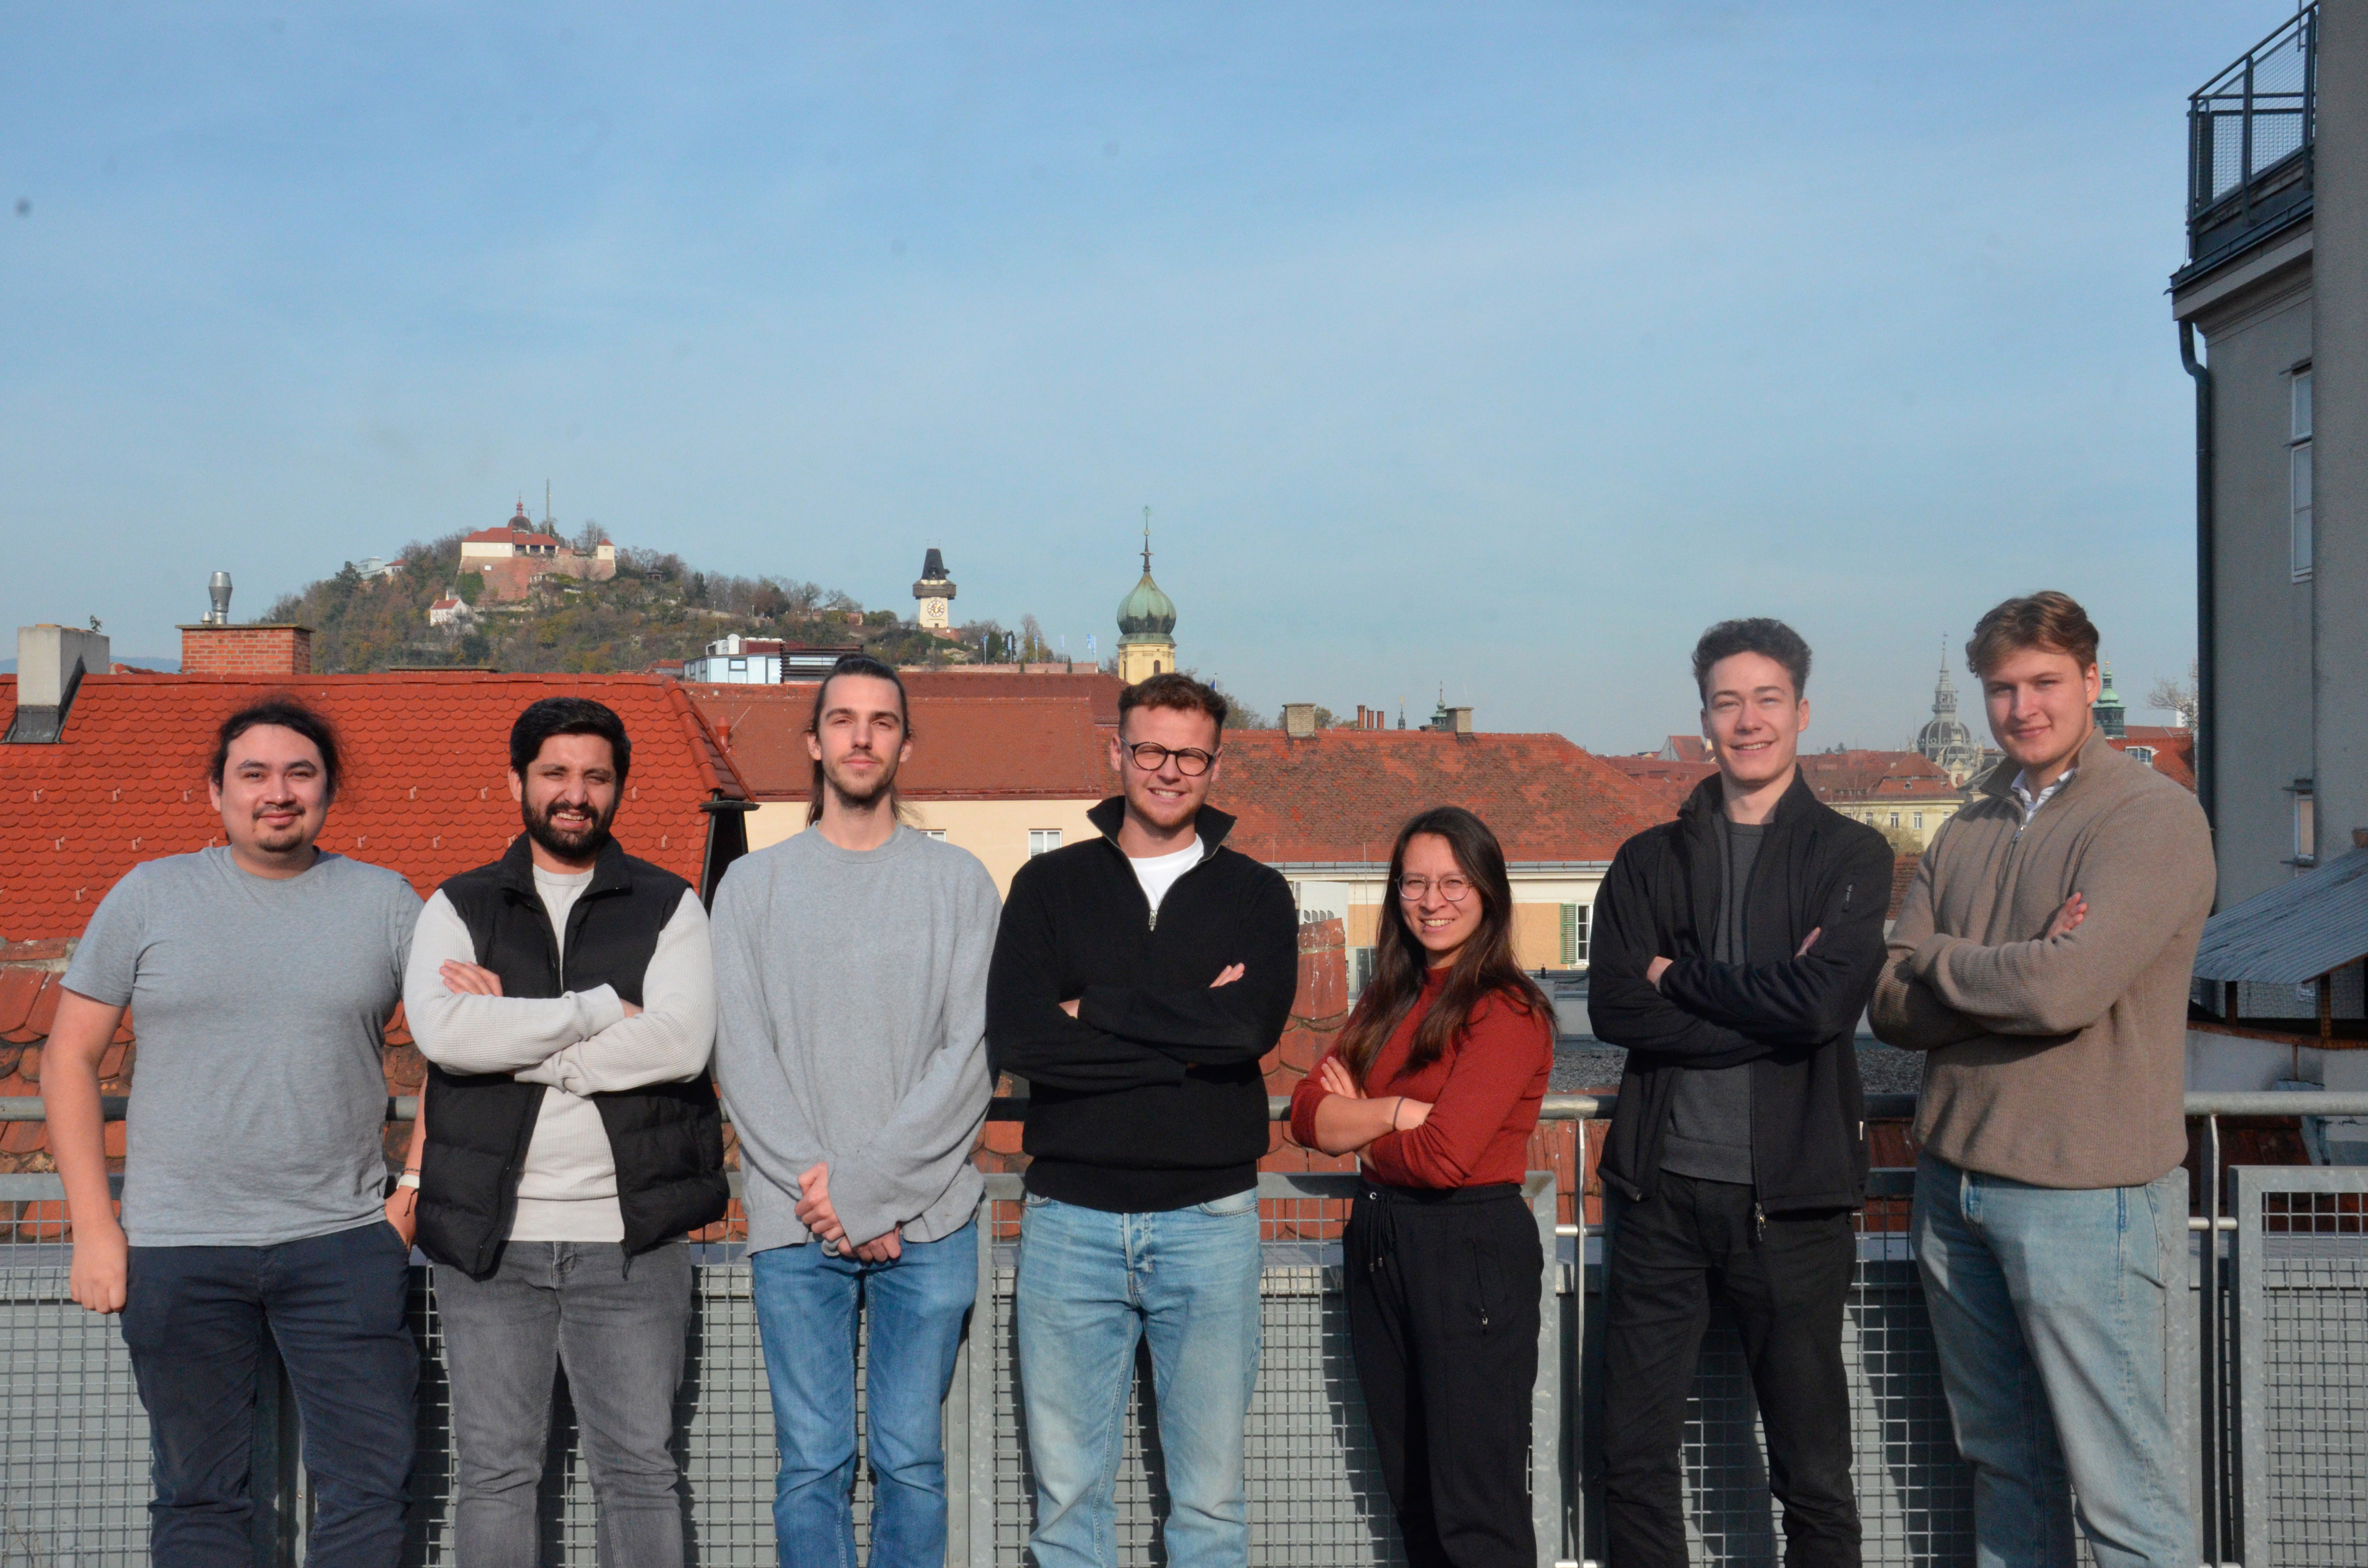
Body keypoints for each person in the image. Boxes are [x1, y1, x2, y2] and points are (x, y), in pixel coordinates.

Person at [1871, 592, 2213, 1568]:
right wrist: (2006, 961)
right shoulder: (1970, 820)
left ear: (2092, 683)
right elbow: (1891, 1005)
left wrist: (1940, 957)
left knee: (2125, 1498)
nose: (2022, 707)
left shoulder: (2151, 818)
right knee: (2004, 1470)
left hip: (2088, 1194)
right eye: (2003, 689)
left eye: (2044, 684)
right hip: (1954, 1185)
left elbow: (2064, 992)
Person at [48, 698, 422, 1565]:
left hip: (342, 1243)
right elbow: (67, 1058)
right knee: (199, 1500)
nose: (277, 793)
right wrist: (96, 1228)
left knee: (369, 1494)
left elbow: (458, 1051)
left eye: (300, 773)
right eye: (253, 774)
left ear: (329, 790)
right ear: (216, 792)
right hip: (178, 1249)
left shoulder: (385, 902)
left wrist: (413, 1190)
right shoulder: (150, 895)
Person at [1587, 618, 1895, 1568]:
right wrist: (1768, 998)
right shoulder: (1647, 858)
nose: (1747, 720)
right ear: (1705, 718)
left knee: (1811, 1471)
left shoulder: (1851, 855)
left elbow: (1819, 1012)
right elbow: (1612, 1008)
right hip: (1658, 1197)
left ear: (1801, 713)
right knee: (1629, 1457)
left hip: (1793, 1204)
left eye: (1766, 699)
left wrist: (1677, 976)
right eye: (1728, 701)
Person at [402, 695, 726, 1566]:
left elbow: (683, 1043)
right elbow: (443, 1036)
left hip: (630, 1240)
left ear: (619, 789)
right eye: (555, 774)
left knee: (639, 1472)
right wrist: (593, 1013)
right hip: (490, 1241)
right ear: (518, 781)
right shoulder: (458, 905)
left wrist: (522, 1038)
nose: (574, 793)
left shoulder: (669, 904)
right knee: (498, 1475)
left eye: (595, 776)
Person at [986, 671, 1298, 1568]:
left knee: (1208, 1507)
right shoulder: (1047, 886)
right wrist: (1183, 1042)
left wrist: (1096, 1008)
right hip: (1069, 1222)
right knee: (1068, 1506)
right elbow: (1022, 1039)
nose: (1169, 770)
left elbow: (1246, 1034)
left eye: (1189, 754)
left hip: (1210, 1223)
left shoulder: (1256, 895)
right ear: (1117, 752)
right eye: (1151, 749)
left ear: (1214, 763)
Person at [709, 654, 999, 1568]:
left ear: (906, 744)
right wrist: (834, 1195)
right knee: (812, 1465)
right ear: (814, 741)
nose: (862, 737)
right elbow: (741, 1055)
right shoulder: (753, 888)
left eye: (881, 722)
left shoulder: (960, 884)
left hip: (932, 1220)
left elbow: (973, 1056)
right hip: (798, 1221)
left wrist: (869, 1193)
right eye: (843, 720)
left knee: (912, 1462)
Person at [1288, 806, 1554, 1568]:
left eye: (1452, 882)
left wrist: (1362, 1133)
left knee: (1476, 1509)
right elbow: (1306, 1114)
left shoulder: (1504, 1009)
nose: (1432, 901)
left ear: (1489, 893)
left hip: (1465, 1251)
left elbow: (1445, 1159)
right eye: (1414, 883)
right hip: (1381, 1244)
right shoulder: (1389, 998)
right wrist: (1397, 1111)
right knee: (1415, 1500)